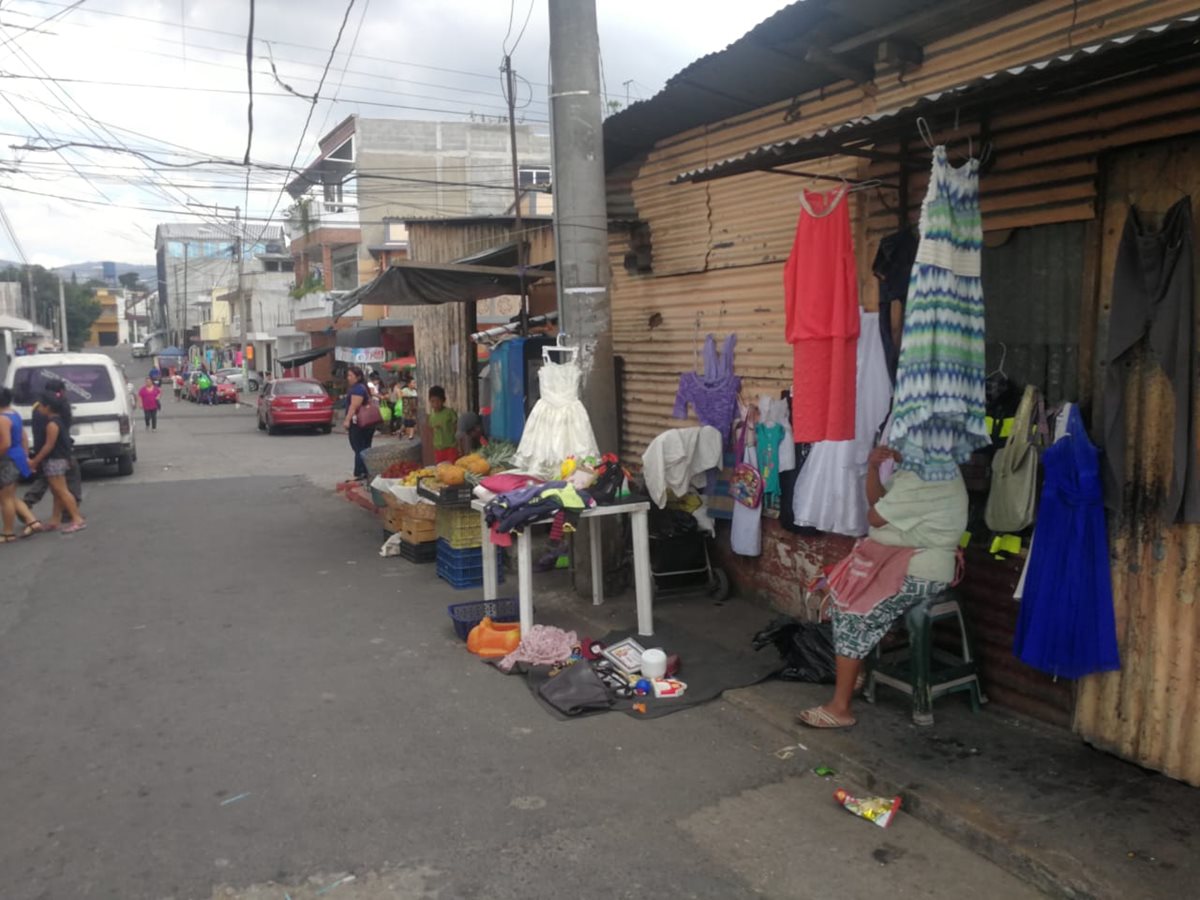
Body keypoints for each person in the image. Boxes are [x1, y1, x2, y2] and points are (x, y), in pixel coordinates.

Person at [796, 444, 968, 729]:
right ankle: (856, 672)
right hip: (895, 561)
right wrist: (874, 468)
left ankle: (840, 708)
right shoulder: (914, 471)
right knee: (840, 597)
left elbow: (875, 516)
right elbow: (877, 499)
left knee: (855, 615)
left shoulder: (932, 474)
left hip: (921, 570)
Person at [22, 379, 83, 520]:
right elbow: (62, 429)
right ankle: (73, 513)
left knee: (52, 482)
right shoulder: (58, 408)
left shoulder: (37, 406)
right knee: (65, 484)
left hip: (42, 447)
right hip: (57, 451)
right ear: (60, 392)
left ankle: (47, 512)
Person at [0, 387, 42, 541]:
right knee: (9, 496)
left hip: (7, 460)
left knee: (5, 499)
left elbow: (4, 444)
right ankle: (32, 521)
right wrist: (25, 456)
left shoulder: (2, 419)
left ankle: (8, 532)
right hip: (17, 457)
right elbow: (23, 436)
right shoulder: (14, 414)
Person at [341, 366, 374, 481]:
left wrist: (347, 420)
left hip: (359, 423)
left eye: (350, 375)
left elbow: (354, 406)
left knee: (359, 447)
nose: (348, 378)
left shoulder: (357, 389)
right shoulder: (362, 387)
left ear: (358, 377)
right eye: (348, 375)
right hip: (367, 423)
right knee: (364, 447)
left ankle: (361, 471)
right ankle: (365, 471)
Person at [427, 385, 458, 464]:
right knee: (441, 469)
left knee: (453, 469)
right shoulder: (431, 416)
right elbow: (431, 431)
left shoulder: (449, 412)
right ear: (429, 401)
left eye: (438, 401)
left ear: (443, 400)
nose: (435, 404)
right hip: (438, 449)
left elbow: (456, 427)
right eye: (432, 401)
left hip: (450, 447)